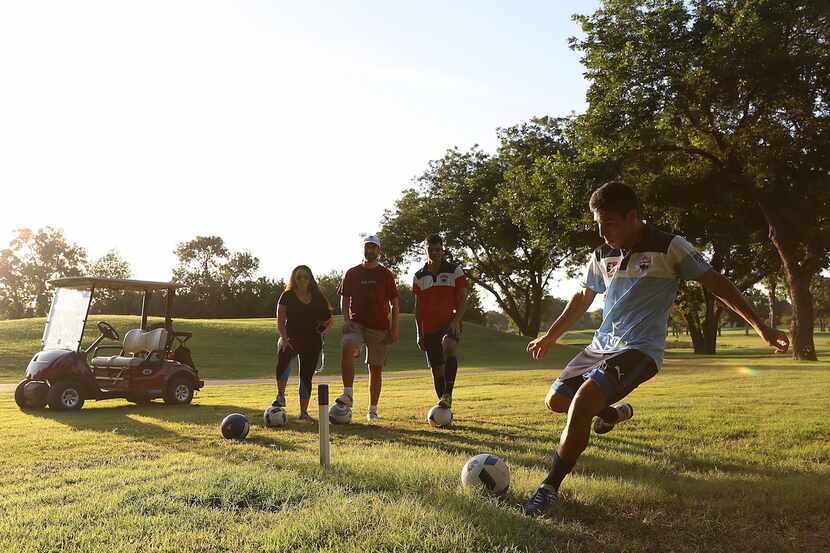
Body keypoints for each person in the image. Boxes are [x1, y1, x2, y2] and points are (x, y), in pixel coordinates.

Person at [521, 181, 789, 517]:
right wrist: (550, 336)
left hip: (640, 349)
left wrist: (761, 326)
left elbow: (717, 282)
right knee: (557, 401)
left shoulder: (669, 246)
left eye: (609, 224)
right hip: (601, 345)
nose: (603, 233)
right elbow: (582, 297)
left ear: (632, 217)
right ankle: (614, 413)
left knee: (583, 400)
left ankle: (548, 488)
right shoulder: (602, 254)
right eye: (599, 225)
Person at [336, 235, 400, 422]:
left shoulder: (385, 274)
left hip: (379, 327)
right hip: (356, 324)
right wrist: (347, 319)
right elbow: (345, 298)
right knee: (348, 346)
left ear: (379, 250)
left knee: (376, 368)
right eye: (367, 246)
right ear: (363, 249)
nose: (370, 249)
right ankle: (348, 394)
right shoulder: (352, 272)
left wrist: (394, 328)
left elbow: (394, 304)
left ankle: (372, 409)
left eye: (373, 247)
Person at [413, 234, 468, 409]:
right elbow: (418, 308)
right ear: (425, 250)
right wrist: (419, 334)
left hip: (450, 323)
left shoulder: (454, 271)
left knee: (449, 345)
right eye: (431, 249)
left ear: (443, 250)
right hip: (429, 328)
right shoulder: (419, 276)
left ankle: (447, 395)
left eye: (438, 249)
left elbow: (463, 298)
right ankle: (444, 408)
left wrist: (456, 320)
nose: (435, 253)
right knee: (437, 370)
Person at [273, 265, 333, 420]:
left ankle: (303, 412)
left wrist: (323, 329)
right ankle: (280, 395)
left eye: (305, 276)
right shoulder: (287, 296)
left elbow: (329, 320)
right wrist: (284, 338)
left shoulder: (318, 297)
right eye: (298, 277)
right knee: (284, 358)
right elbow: (280, 320)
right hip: (291, 338)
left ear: (310, 279)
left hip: (312, 341)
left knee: (306, 376)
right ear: (294, 278)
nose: (302, 280)